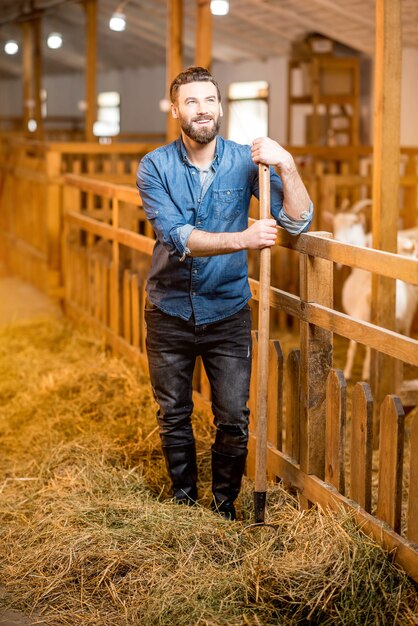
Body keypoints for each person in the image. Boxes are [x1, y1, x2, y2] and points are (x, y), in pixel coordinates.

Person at [136, 66, 313, 520]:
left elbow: (297, 220)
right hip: (168, 310)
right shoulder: (154, 166)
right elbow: (179, 237)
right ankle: (183, 502)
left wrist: (286, 164)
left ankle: (222, 507)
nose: (202, 110)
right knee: (173, 414)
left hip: (227, 310)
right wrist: (243, 239)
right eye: (191, 102)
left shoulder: (244, 161)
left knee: (233, 416)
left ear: (220, 107)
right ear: (176, 109)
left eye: (209, 101)